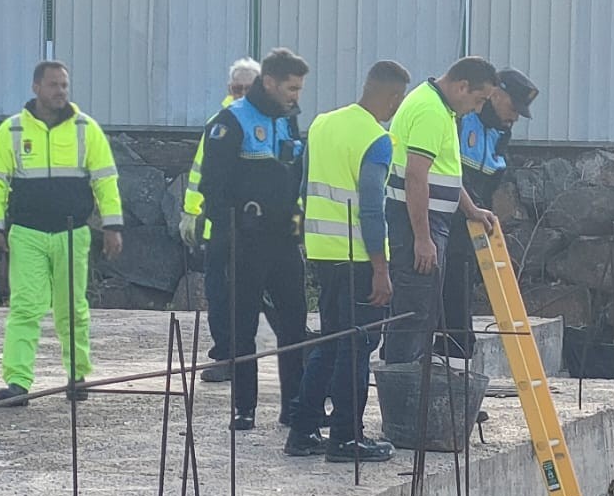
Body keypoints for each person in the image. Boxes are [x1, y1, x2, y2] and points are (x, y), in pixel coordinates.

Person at [0, 60, 125, 405]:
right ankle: (17, 383)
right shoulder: (12, 131)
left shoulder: (86, 129)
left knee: (72, 308)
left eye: (64, 85)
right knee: (25, 308)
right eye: (53, 85)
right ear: (36, 88)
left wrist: (113, 225)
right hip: (27, 234)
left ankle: (77, 377)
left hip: (72, 233)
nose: (60, 91)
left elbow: (106, 180)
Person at [287, 61, 409, 461]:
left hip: (323, 251)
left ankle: (303, 430)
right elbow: (372, 209)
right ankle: (345, 436)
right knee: (357, 346)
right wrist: (381, 268)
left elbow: (304, 186)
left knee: (330, 340)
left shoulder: (322, 124)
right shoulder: (376, 139)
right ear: (392, 97)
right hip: (358, 256)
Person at [198, 48, 308, 432]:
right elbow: (213, 187)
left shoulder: (289, 121)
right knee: (242, 328)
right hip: (244, 242)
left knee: (294, 325)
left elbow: (293, 175)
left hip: (283, 240)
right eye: (291, 88)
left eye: (299, 89)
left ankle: (294, 405)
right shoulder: (231, 121)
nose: (296, 95)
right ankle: (244, 408)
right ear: (270, 83)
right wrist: (229, 238)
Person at [379, 58, 505, 368]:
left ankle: (414, 393)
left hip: (429, 219)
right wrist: (422, 238)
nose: (477, 109)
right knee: (414, 312)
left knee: (425, 310)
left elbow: (443, 172)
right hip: (418, 223)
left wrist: (470, 208)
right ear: (462, 87)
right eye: (478, 100)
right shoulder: (431, 112)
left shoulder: (439, 106)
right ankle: (403, 393)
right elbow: (416, 176)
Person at [440, 67, 538, 362]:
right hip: (444, 221)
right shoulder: (460, 119)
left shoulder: (499, 133)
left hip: (471, 228)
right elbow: (447, 172)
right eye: (512, 107)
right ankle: (447, 376)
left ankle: (459, 379)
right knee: (443, 304)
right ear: (495, 93)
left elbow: (490, 182)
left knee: (461, 301)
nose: (515, 117)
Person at [179, 57, 262, 382]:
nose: (241, 92)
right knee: (220, 294)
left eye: (248, 87)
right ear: (229, 89)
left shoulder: (272, 121)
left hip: (260, 231)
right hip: (221, 229)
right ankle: (227, 355)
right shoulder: (219, 123)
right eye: (236, 87)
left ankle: (275, 358)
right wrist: (191, 214)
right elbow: (201, 172)